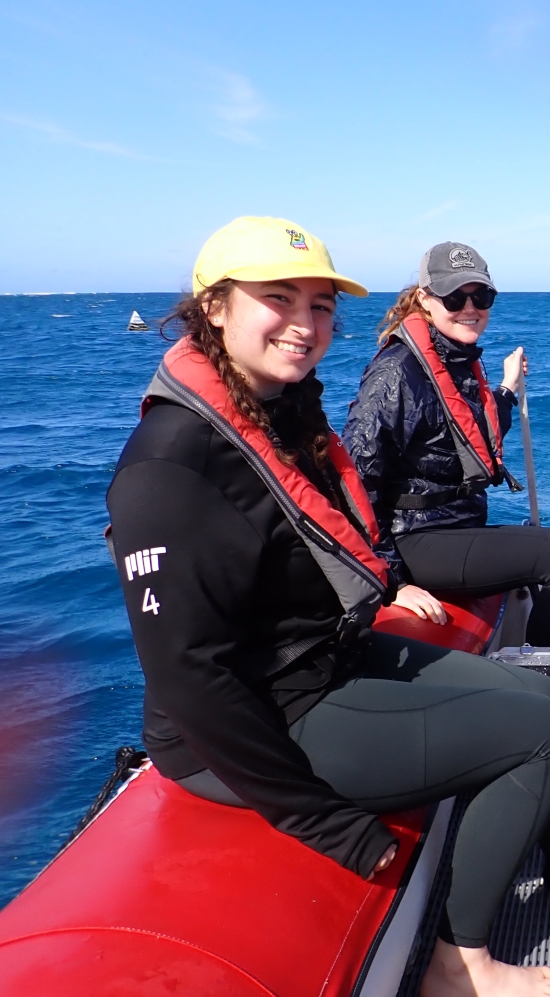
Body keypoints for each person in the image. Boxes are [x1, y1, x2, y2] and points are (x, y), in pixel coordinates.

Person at [108, 218, 550, 997]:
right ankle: (461, 967)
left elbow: (320, 542)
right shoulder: (171, 464)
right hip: (265, 717)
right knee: (543, 731)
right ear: (213, 308)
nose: (305, 324)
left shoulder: (282, 411)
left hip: (328, 658)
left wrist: (384, 584)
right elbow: (189, 678)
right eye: (277, 298)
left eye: (319, 305)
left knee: (540, 696)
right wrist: (329, 826)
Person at [343, 241, 550, 639]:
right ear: (425, 298)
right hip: (414, 540)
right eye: (455, 297)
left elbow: (471, 438)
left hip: (454, 528)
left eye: (481, 296)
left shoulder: (455, 360)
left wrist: (507, 387)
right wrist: (392, 580)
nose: (470, 309)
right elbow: (356, 476)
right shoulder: (397, 373)